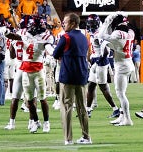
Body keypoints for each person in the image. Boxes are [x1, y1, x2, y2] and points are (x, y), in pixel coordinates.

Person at [52, 13, 91, 145]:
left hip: (68, 76)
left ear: (73, 23)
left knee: (67, 107)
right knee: (82, 107)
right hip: (81, 75)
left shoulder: (66, 37)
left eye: (66, 22)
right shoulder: (84, 37)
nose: (63, 23)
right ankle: (86, 137)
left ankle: (68, 138)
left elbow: (55, 54)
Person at [99, 12, 135, 127]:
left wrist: (107, 21)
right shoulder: (130, 32)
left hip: (122, 65)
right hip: (128, 62)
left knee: (120, 93)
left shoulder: (117, 34)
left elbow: (101, 35)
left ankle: (128, 119)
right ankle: (122, 116)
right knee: (122, 92)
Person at [85, 15, 120, 119]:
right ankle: (87, 110)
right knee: (91, 86)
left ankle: (115, 109)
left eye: (92, 23)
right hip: (96, 61)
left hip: (100, 62)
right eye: (89, 22)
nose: (90, 25)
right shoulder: (94, 32)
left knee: (103, 87)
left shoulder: (99, 33)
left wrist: (98, 61)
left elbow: (106, 50)